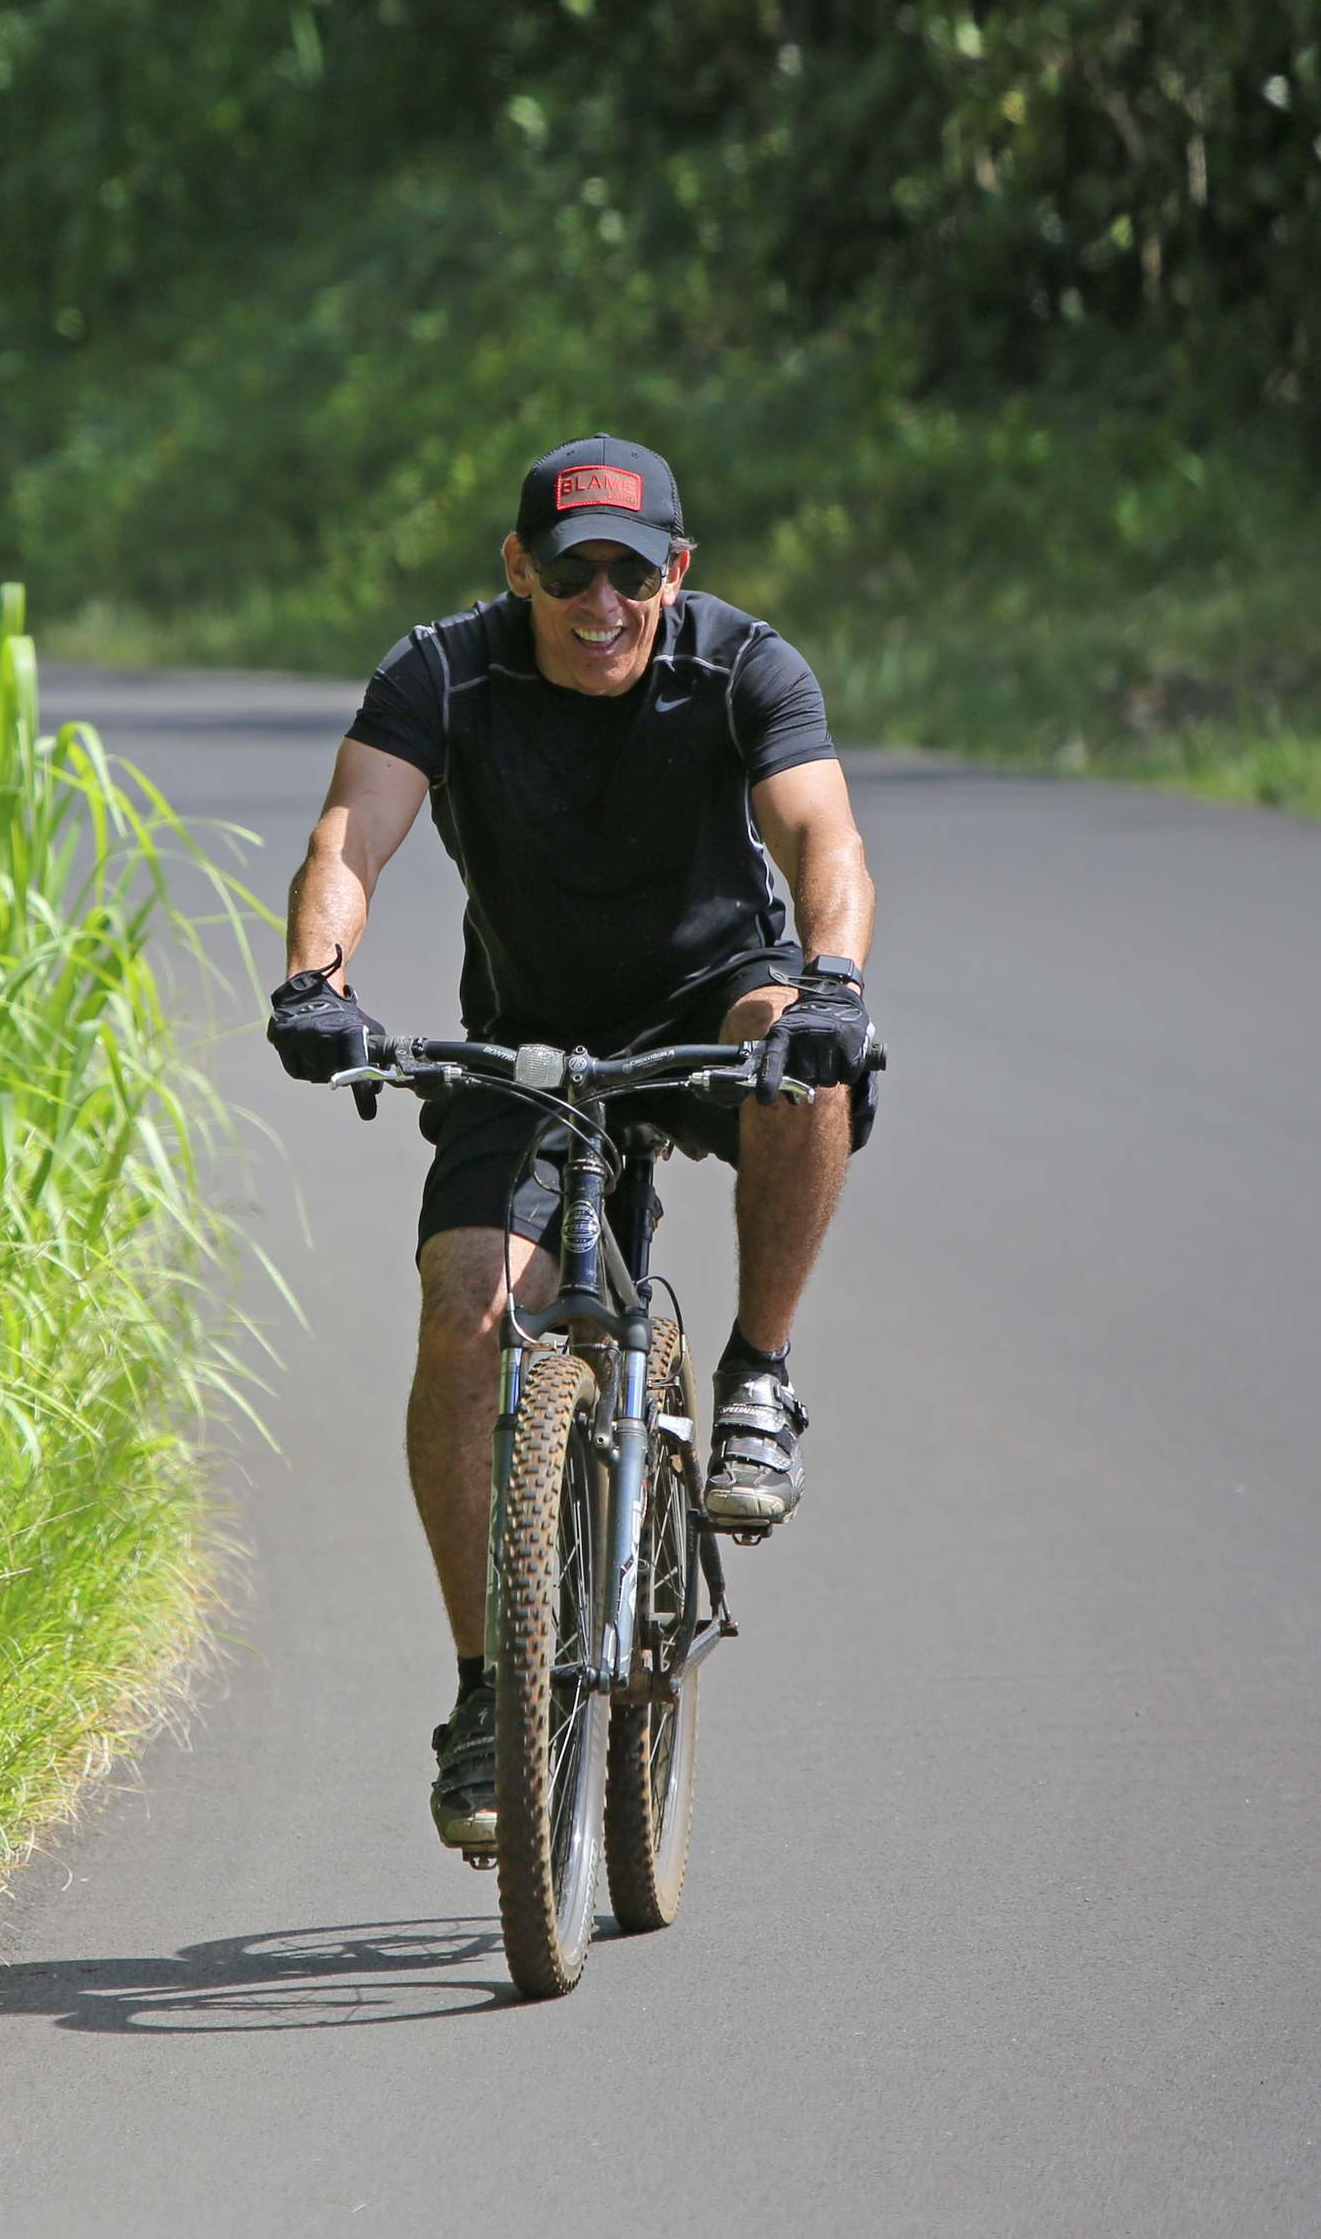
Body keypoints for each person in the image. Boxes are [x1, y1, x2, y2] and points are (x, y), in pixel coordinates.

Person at [268, 434, 878, 1852]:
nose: (600, 601)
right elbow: (348, 842)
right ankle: (493, 1689)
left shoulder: (741, 668)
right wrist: (319, 979)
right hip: (529, 1041)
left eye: (631, 570)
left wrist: (834, 983)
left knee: (805, 1047)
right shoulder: (445, 672)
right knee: (465, 1313)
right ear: (516, 567)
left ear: (677, 566)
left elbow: (824, 839)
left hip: (710, 1011)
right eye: (567, 569)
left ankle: (758, 1376)